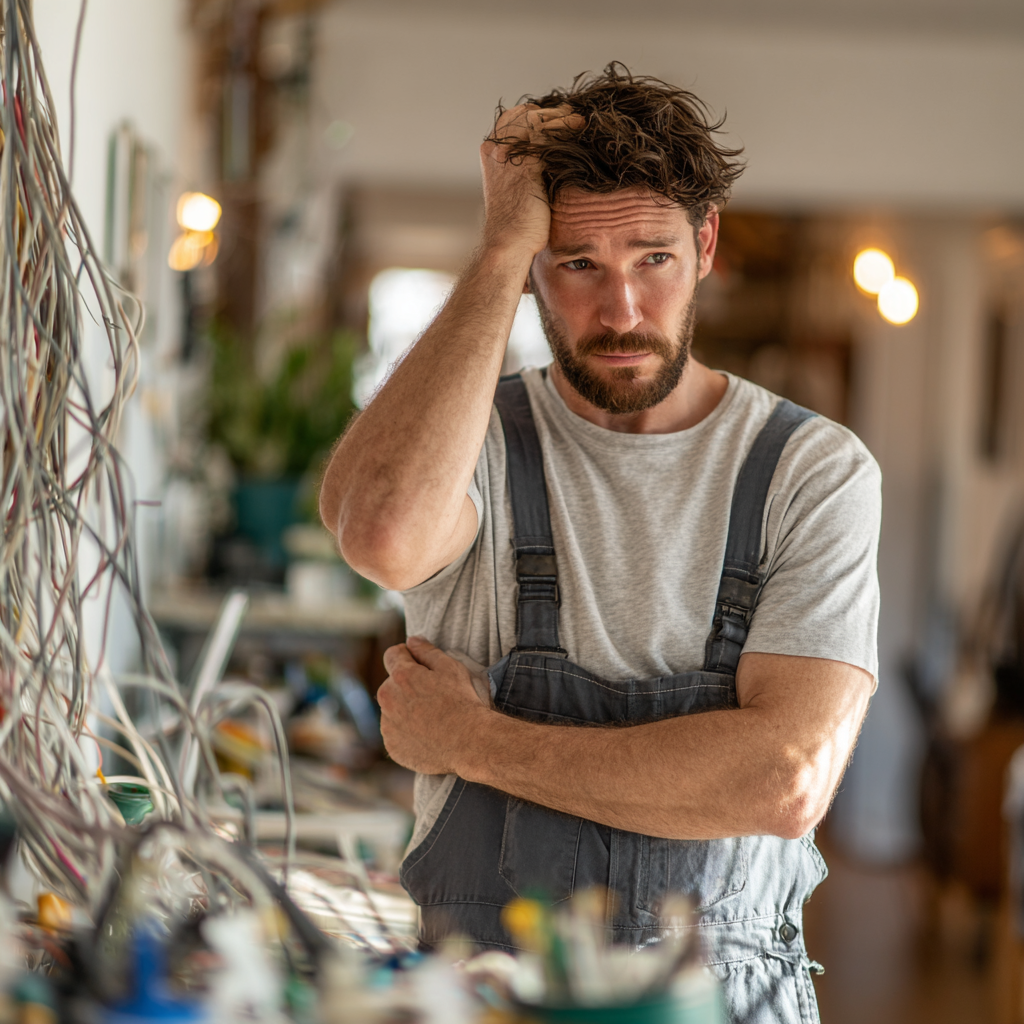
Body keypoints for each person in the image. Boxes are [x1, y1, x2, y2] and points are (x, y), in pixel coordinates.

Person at [319, 63, 879, 1024]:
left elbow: (780, 776)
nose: (620, 311)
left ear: (705, 245)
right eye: (577, 264)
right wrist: (499, 248)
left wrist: (474, 741)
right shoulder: (477, 444)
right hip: (483, 999)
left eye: (652, 258)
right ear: (536, 265)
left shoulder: (812, 471)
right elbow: (379, 534)